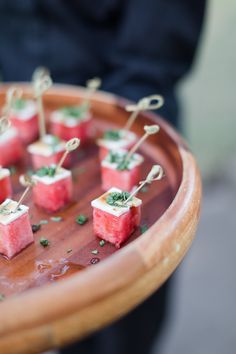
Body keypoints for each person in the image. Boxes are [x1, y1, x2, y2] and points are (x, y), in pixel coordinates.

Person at [0, 1, 206, 353]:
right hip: (20, 94)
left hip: (123, 102)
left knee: (120, 336)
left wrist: (113, 122)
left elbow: (154, 51)